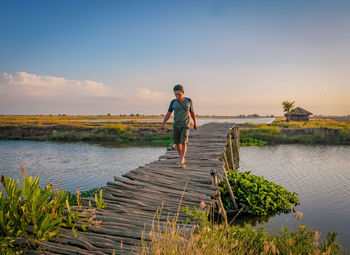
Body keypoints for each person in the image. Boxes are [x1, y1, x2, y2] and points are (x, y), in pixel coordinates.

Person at [160, 84, 197, 168]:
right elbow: (168, 114)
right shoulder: (173, 102)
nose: (177, 96)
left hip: (185, 125)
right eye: (175, 94)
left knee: (184, 142)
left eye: (179, 94)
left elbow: (192, 113)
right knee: (177, 143)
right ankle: (182, 157)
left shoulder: (189, 100)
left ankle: (181, 159)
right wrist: (163, 124)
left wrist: (195, 122)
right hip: (176, 125)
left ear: (183, 92)